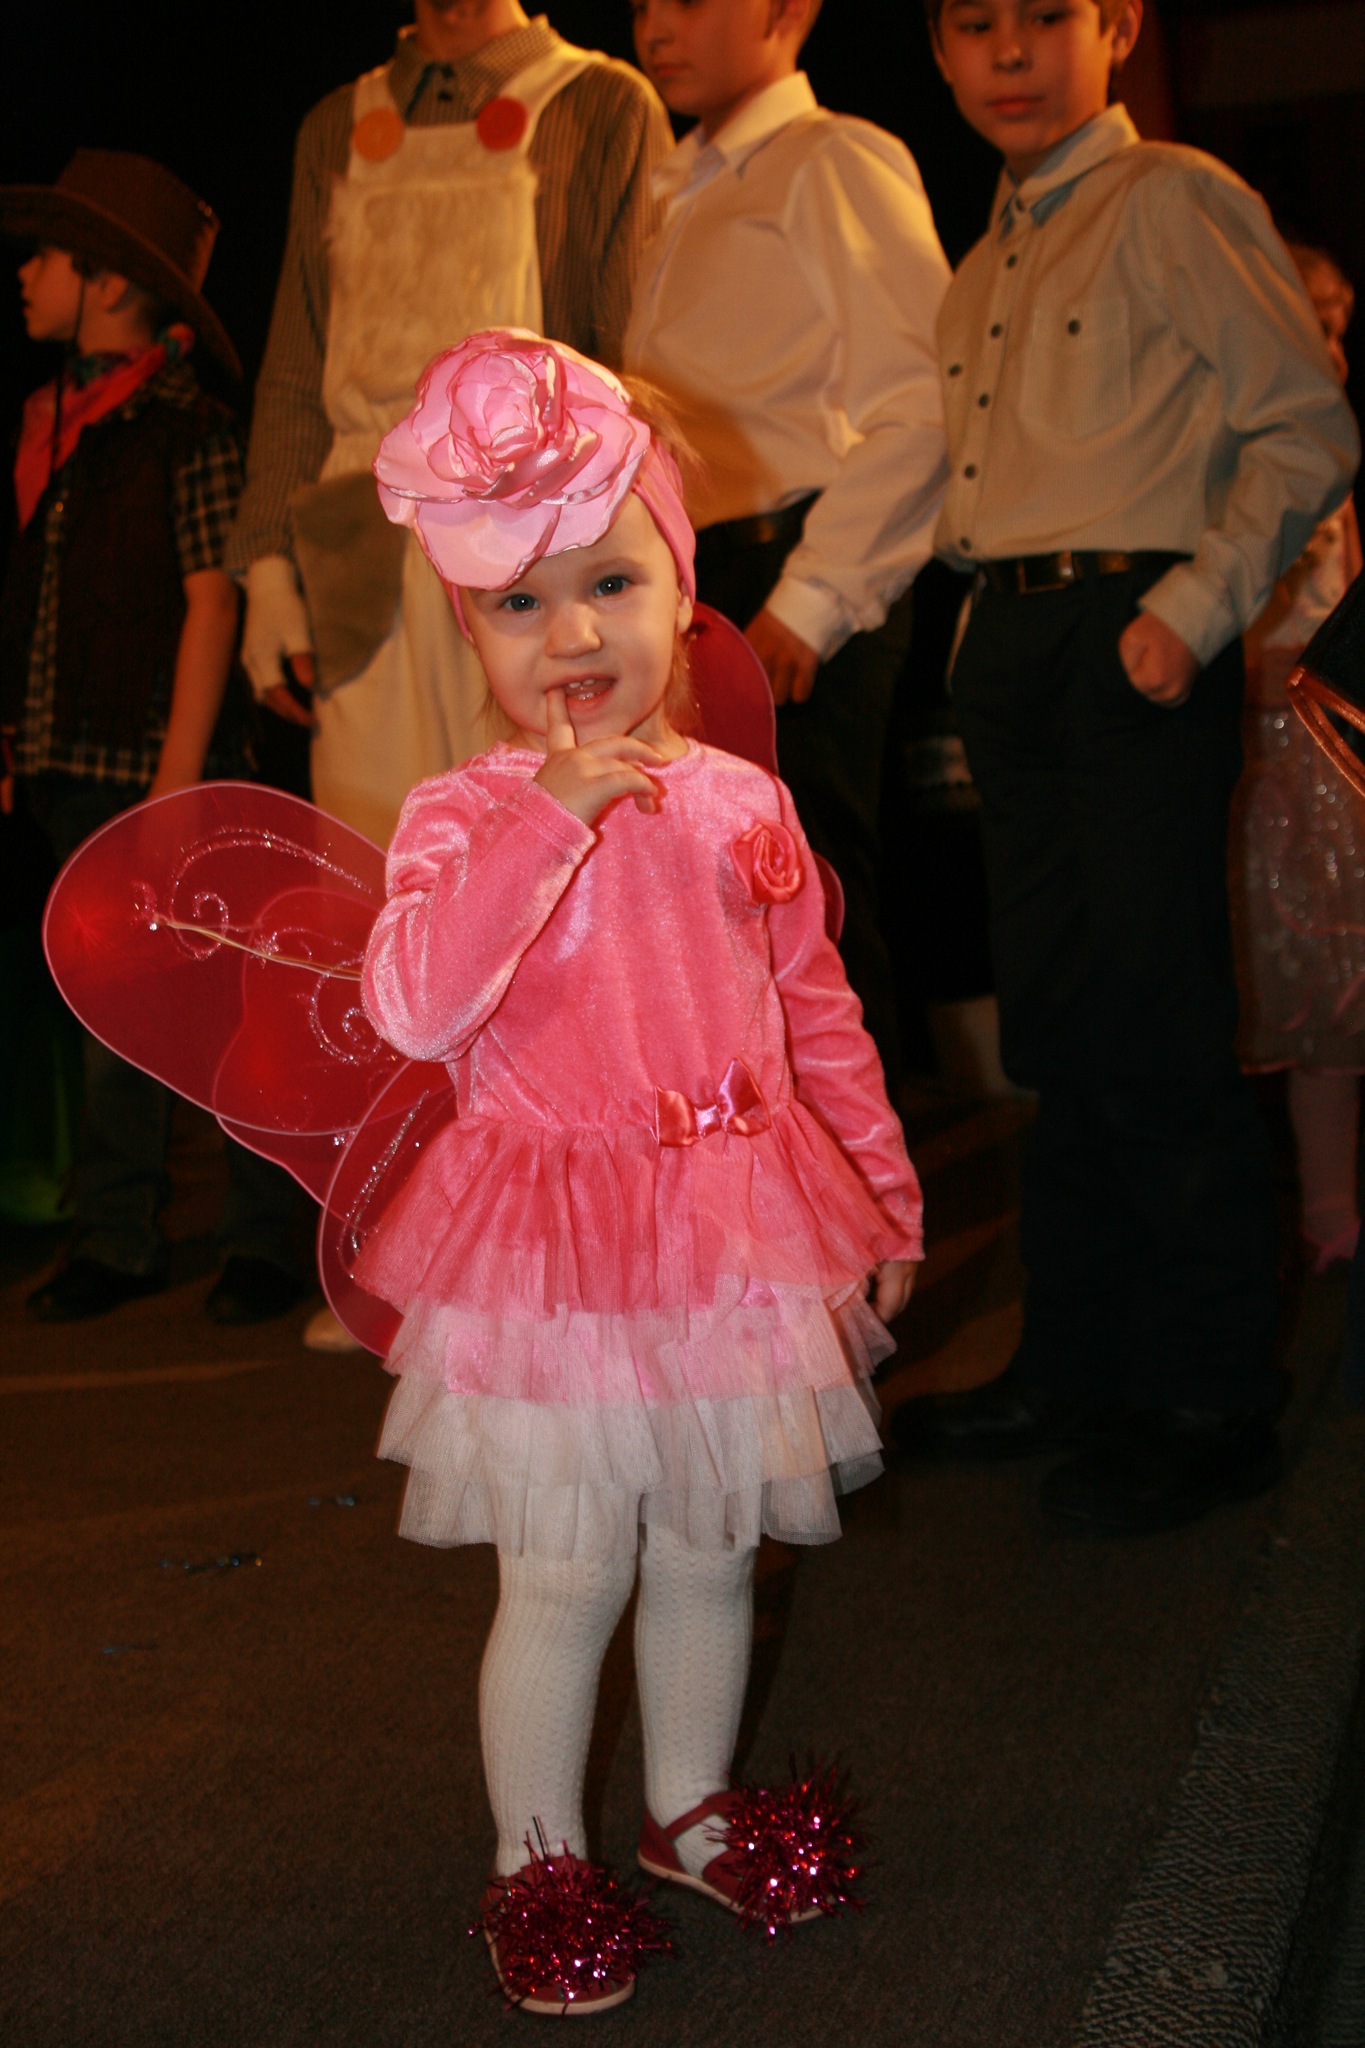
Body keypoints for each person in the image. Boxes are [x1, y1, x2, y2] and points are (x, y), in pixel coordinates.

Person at [351, 331, 921, 2008]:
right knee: (570, 1566)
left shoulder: (743, 802)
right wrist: (548, 818)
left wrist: (880, 1186)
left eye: (610, 582)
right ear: (470, 629)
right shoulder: (460, 812)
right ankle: (533, 1864)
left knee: (711, 1539)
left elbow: (816, 1012)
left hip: (734, 1238)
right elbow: (413, 1003)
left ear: (682, 589)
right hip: (558, 1265)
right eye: (517, 605)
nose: (574, 635)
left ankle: (687, 1806)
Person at [892, 0, 1358, 1532]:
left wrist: (1192, 609)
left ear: (1116, 26)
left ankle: (1209, 1398)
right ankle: (1078, 1366)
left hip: (1133, 628)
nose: (1009, 53)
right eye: (974, 23)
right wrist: (984, 639)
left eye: (1047, 15)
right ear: (939, 51)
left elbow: (1304, 429)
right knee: (1059, 1029)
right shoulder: (979, 265)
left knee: (1155, 1026)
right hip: (1015, 646)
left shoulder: (1175, 197)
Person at [230, 0, 672, 852]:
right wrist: (267, 566)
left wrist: (629, 564)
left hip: (539, 542)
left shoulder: (599, 101)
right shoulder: (337, 125)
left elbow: (631, 359)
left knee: (547, 846)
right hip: (362, 546)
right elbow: (296, 363)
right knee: (372, 853)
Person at [0, 151, 311, 1327]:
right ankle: (116, 1232)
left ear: (112, 280)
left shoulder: (188, 430)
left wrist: (179, 781)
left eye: (48, 256)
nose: (25, 273)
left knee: (224, 1011)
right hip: (73, 764)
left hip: (160, 765)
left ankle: (262, 1239)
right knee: (108, 1010)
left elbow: (210, 604)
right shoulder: (54, 426)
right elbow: (38, 603)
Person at [623, 0, 951, 1085]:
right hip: (689, 579)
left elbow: (924, 402)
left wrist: (808, 602)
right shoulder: (665, 184)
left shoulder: (831, 159)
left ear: (787, 10)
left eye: (687, 1)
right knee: (708, 917)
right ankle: (757, 1181)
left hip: (792, 564)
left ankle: (864, 1181)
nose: (656, 27)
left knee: (807, 901)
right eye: (642, 5)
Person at [1229, 244, 1363, 1274]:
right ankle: (1308, 1206)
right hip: (1265, 754)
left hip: (1329, 758)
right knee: (1291, 979)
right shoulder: (1241, 458)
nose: (1333, 350)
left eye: (1339, 330)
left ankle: (1329, 1204)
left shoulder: (1332, 462)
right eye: (1313, 324)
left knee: (1338, 977)